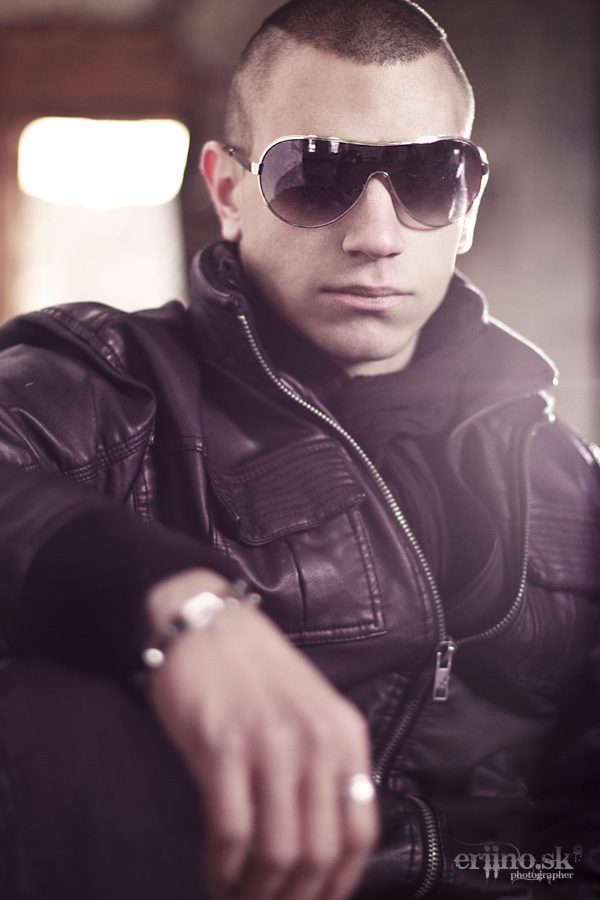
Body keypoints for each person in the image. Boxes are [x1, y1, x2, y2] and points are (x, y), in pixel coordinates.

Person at [0, 0, 598, 898]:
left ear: (467, 205)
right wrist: (178, 609)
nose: (377, 237)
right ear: (228, 192)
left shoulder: (569, 478)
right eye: (317, 176)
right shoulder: (106, 392)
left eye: (428, 178)